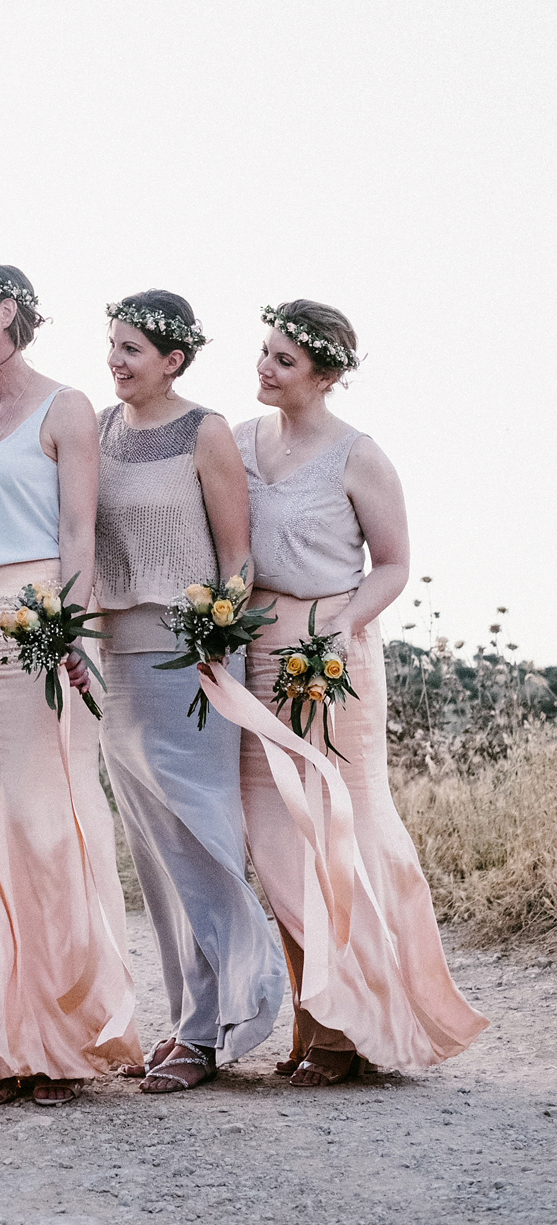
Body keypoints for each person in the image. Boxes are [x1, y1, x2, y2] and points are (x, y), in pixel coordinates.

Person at [232, 299, 487, 1084]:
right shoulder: (240, 442)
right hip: (257, 649)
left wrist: (342, 625)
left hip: (332, 652)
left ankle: (351, 1031)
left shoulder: (358, 456)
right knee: (275, 836)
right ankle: (315, 1023)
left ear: (327, 375)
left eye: (284, 360)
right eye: (265, 352)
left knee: (341, 829)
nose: (266, 368)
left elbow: (392, 563)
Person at [0, 264, 142, 1108]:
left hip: (41, 617)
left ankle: (68, 1040)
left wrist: (68, 630)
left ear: (7, 312)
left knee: (51, 822)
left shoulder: (67, 408)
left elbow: (79, 533)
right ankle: (8, 1046)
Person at [95, 291, 285, 1095]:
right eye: (112, 345)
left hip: (189, 654)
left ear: (173, 360)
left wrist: (215, 638)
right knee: (153, 848)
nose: (115, 359)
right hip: (116, 655)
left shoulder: (205, 430)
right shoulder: (99, 429)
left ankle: (226, 1018)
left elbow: (237, 557)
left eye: (131, 348)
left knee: (200, 833)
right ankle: (189, 1021)